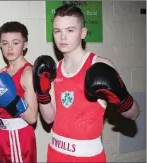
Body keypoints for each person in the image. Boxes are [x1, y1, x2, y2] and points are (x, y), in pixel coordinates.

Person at [33, 4, 140, 162]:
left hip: (87, 157)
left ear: (82, 33)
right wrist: (41, 94)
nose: (62, 37)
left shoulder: (99, 65)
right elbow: (49, 118)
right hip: (55, 153)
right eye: (57, 31)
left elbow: (134, 114)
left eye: (70, 30)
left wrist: (121, 98)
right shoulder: (53, 70)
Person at [0, 21, 38, 163]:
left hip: (19, 135)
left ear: (25, 45)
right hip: (4, 134)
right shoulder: (2, 73)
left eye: (15, 43)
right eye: (5, 43)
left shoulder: (28, 73)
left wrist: (11, 99)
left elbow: (33, 118)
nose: (9, 48)